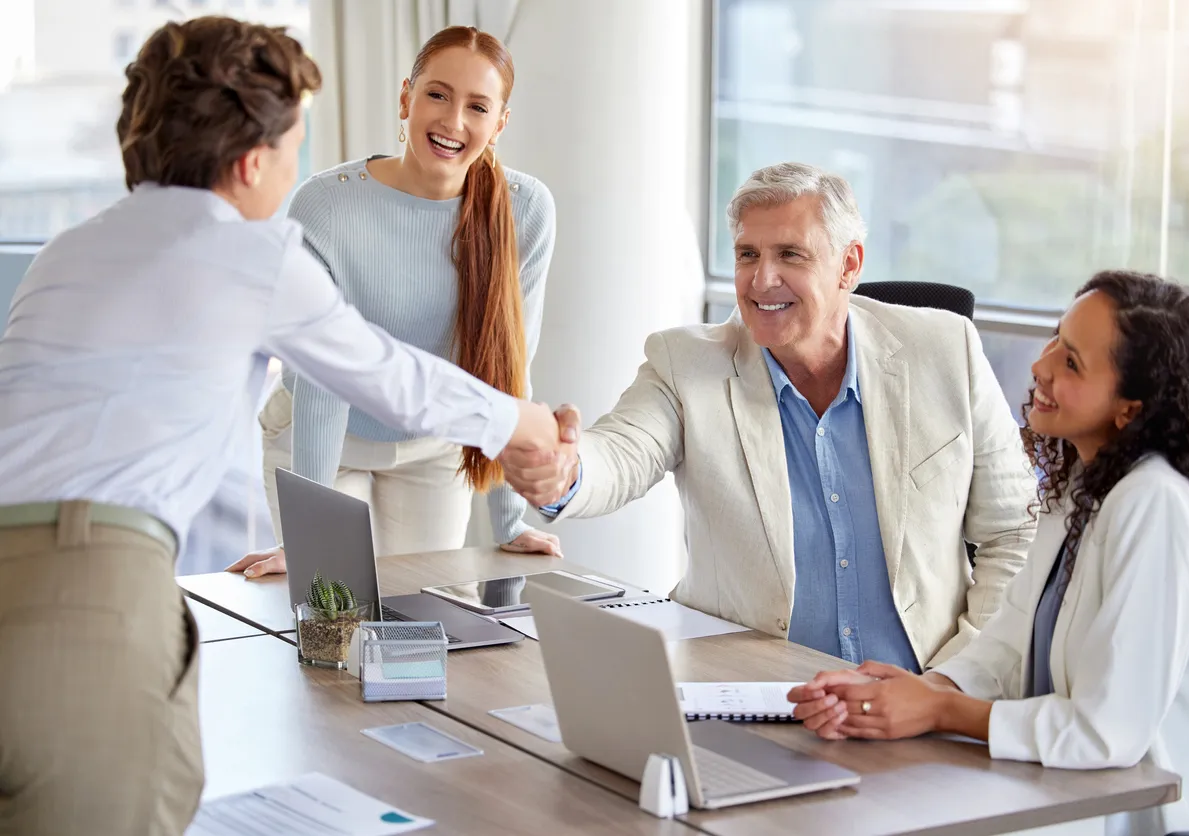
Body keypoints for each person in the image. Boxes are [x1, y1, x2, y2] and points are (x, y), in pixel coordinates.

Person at [0, 18, 571, 835]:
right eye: (294, 145)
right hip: (94, 597)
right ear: (251, 162)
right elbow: (382, 376)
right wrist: (529, 424)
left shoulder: (67, 251)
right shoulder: (251, 255)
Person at [502, 162, 1038, 670]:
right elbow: (620, 453)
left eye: (790, 255)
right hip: (751, 694)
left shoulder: (945, 349)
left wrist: (953, 681)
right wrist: (565, 470)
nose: (761, 280)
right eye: (747, 255)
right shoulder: (687, 364)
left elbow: (1014, 533)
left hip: (921, 694)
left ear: (849, 265)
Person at [788, 272, 1189, 835]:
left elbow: (1106, 732)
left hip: (1160, 820)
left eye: (1072, 362)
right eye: (1056, 338)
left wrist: (939, 710)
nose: (1042, 365)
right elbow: (1006, 649)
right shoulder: (1083, 485)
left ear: (1130, 409)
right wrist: (924, 688)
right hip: (1070, 798)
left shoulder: (1153, 503)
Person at [228, 25, 559, 581]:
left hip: (430, 445)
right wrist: (308, 538)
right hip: (317, 437)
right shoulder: (326, 205)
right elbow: (324, 376)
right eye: (437, 94)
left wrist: (509, 521)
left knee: (424, 607)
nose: (453, 121)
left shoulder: (525, 210)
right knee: (335, 604)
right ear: (406, 98)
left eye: (477, 107)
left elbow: (507, 366)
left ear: (499, 123)